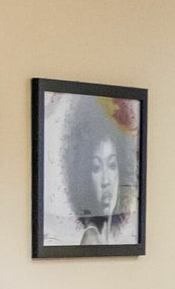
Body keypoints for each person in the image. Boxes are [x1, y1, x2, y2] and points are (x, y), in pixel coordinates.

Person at [48, 94, 134, 247]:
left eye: (112, 166)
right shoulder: (91, 239)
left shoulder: (104, 239)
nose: (106, 181)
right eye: (96, 168)